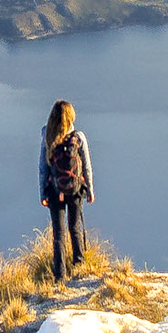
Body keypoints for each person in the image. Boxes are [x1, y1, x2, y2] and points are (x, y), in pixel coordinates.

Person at [39, 98, 95, 283]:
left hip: (55, 192)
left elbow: (43, 167)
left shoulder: (47, 135)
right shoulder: (78, 137)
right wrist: (90, 191)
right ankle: (79, 267)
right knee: (75, 227)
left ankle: (59, 276)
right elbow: (86, 166)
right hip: (76, 191)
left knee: (58, 233)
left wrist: (43, 194)